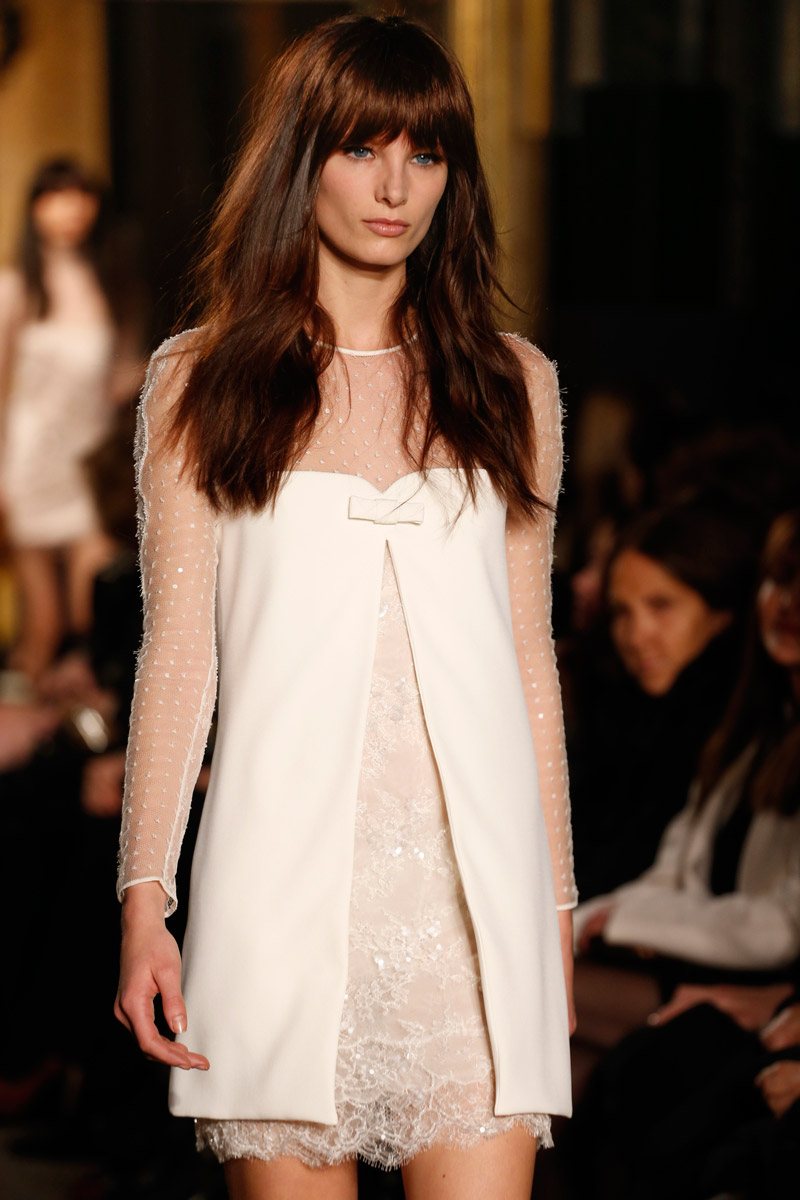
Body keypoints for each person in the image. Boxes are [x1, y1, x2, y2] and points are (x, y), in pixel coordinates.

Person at [114, 15, 576, 1200]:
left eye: (425, 154)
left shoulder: (511, 384)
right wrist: (145, 900)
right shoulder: (199, 380)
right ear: (300, 159)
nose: (393, 187)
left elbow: (530, 664)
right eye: (361, 148)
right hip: (272, 892)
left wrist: (555, 910)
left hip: (474, 916)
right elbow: (179, 656)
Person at [569, 508, 800, 1100]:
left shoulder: (708, 716)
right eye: (779, 580)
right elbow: (675, 870)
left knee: (524, 1012)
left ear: (720, 610)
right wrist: (591, 920)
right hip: (686, 972)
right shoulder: (749, 734)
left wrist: (613, 919)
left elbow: (782, 927)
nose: (786, 603)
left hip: (747, 990)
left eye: (661, 606)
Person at [569, 492, 761, 899]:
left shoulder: (741, 729)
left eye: (661, 605)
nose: (636, 636)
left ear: (720, 611)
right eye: (622, 612)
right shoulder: (617, 714)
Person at [0, 159, 143, 681]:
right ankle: (25, 722)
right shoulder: (16, 288)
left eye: (81, 195)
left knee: (93, 612)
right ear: (35, 207)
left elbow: (121, 379)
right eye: (56, 195)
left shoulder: (114, 287)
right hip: (30, 462)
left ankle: (77, 718)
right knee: (44, 626)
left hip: (90, 464)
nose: (70, 208)